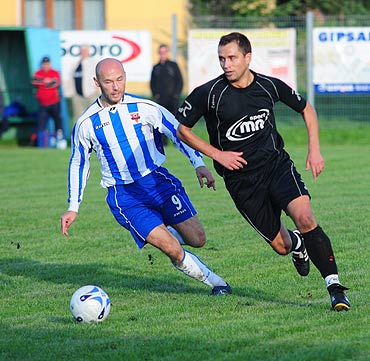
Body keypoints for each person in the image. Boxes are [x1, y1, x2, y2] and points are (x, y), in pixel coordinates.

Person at [176, 32, 350, 311]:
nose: (226, 64)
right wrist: (217, 154)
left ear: (248, 57)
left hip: (276, 166)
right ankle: (296, 244)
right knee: (281, 246)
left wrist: (314, 149)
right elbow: (182, 130)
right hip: (241, 182)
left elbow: (307, 109)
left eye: (232, 57)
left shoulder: (268, 86)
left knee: (305, 217)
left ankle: (335, 288)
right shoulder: (209, 94)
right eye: (221, 59)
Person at [60, 58, 231, 296]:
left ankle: (157, 233)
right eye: (108, 82)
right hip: (125, 196)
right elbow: (79, 162)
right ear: (96, 82)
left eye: (120, 79)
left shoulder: (145, 108)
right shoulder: (86, 123)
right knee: (172, 249)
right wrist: (73, 207)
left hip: (158, 183)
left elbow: (179, 133)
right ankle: (218, 284)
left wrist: (198, 163)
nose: (115, 86)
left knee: (198, 239)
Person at [150, 44, 183, 146]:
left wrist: (176, 94)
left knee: (175, 121)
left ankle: (177, 141)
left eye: (164, 52)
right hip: (162, 100)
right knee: (162, 121)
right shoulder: (156, 68)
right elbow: (152, 83)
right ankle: (164, 143)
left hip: (173, 99)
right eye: (161, 52)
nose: (162, 55)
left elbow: (180, 81)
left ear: (167, 53)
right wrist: (156, 94)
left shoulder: (173, 66)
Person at [32, 56, 65, 148]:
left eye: (47, 64)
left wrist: (45, 82)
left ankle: (60, 142)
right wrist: (45, 81)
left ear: (50, 64)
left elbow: (55, 83)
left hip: (54, 102)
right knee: (41, 124)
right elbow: (34, 81)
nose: (46, 65)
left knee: (58, 122)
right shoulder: (38, 73)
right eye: (44, 64)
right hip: (43, 104)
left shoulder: (54, 72)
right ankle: (42, 143)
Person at [71, 45, 99, 123]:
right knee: (78, 118)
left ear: (88, 52)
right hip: (78, 95)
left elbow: (98, 76)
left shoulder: (93, 63)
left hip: (90, 94)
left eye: (85, 51)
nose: (83, 52)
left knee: (93, 117)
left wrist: (96, 89)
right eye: (82, 51)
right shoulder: (76, 64)